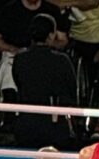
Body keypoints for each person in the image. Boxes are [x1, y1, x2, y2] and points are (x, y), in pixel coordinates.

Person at [12, 14, 77, 149]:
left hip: (25, 126)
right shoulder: (62, 60)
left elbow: (18, 82)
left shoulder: (19, 59)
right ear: (51, 35)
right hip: (54, 127)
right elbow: (72, 90)